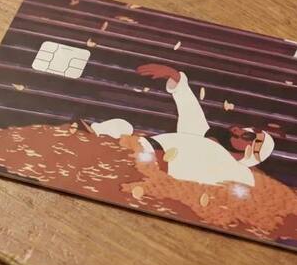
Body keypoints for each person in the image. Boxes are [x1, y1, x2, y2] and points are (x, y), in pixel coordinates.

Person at [91, 62, 275, 187]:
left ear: (250, 152)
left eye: (248, 136)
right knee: (122, 126)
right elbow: (189, 106)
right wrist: (175, 77)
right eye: (245, 129)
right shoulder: (198, 134)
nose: (237, 129)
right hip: (134, 148)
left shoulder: (240, 174)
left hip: (147, 172)